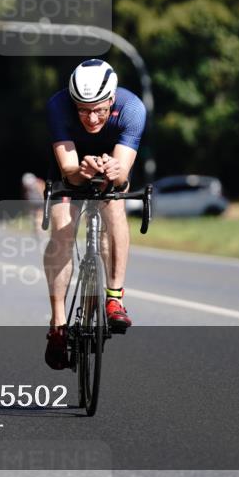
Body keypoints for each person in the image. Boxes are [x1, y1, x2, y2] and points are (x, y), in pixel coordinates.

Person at [42, 59, 146, 370]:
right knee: (62, 230)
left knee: (115, 205)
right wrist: (80, 171)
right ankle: (58, 323)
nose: (91, 118)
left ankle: (114, 297)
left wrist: (116, 172)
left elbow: (123, 175)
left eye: (99, 109)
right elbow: (69, 172)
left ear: (112, 99)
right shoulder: (58, 106)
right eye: (83, 109)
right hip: (71, 167)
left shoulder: (133, 109)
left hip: (110, 165)